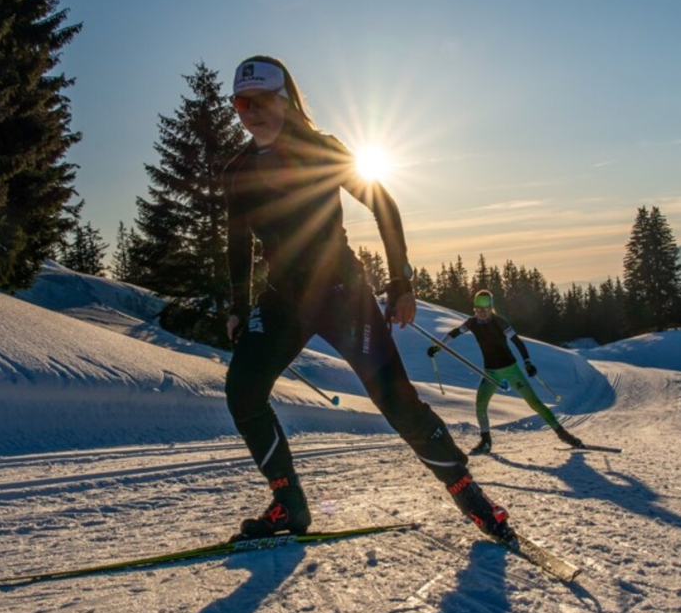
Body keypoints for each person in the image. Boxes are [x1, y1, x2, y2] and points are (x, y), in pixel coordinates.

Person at [221, 56, 514, 542]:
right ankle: (288, 505)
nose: (249, 111)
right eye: (240, 102)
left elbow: (383, 203)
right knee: (242, 391)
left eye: (260, 100)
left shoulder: (320, 150)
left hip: (343, 296)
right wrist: (236, 304)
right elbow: (236, 243)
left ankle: (471, 497)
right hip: (281, 301)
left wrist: (401, 282)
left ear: (286, 100)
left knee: (396, 401)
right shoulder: (238, 169)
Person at [427, 289, 583, 453]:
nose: (481, 313)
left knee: (535, 403)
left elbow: (517, 342)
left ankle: (563, 434)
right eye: (478, 310)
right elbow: (455, 333)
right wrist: (438, 347)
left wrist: (527, 362)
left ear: (491, 308)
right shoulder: (472, 323)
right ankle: (486, 441)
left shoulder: (499, 322)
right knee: (480, 404)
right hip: (490, 372)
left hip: (510, 369)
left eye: (485, 310)